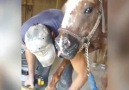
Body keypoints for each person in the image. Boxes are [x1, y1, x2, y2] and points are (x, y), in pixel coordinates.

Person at [21, 9, 73, 90]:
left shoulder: (65, 28)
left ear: (52, 35)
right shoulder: (24, 33)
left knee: (65, 81)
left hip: (63, 36)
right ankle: (40, 87)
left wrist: (58, 74)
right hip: (50, 31)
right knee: (41, 77)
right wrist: (31, 76)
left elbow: (72, 55)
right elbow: (29, 50)